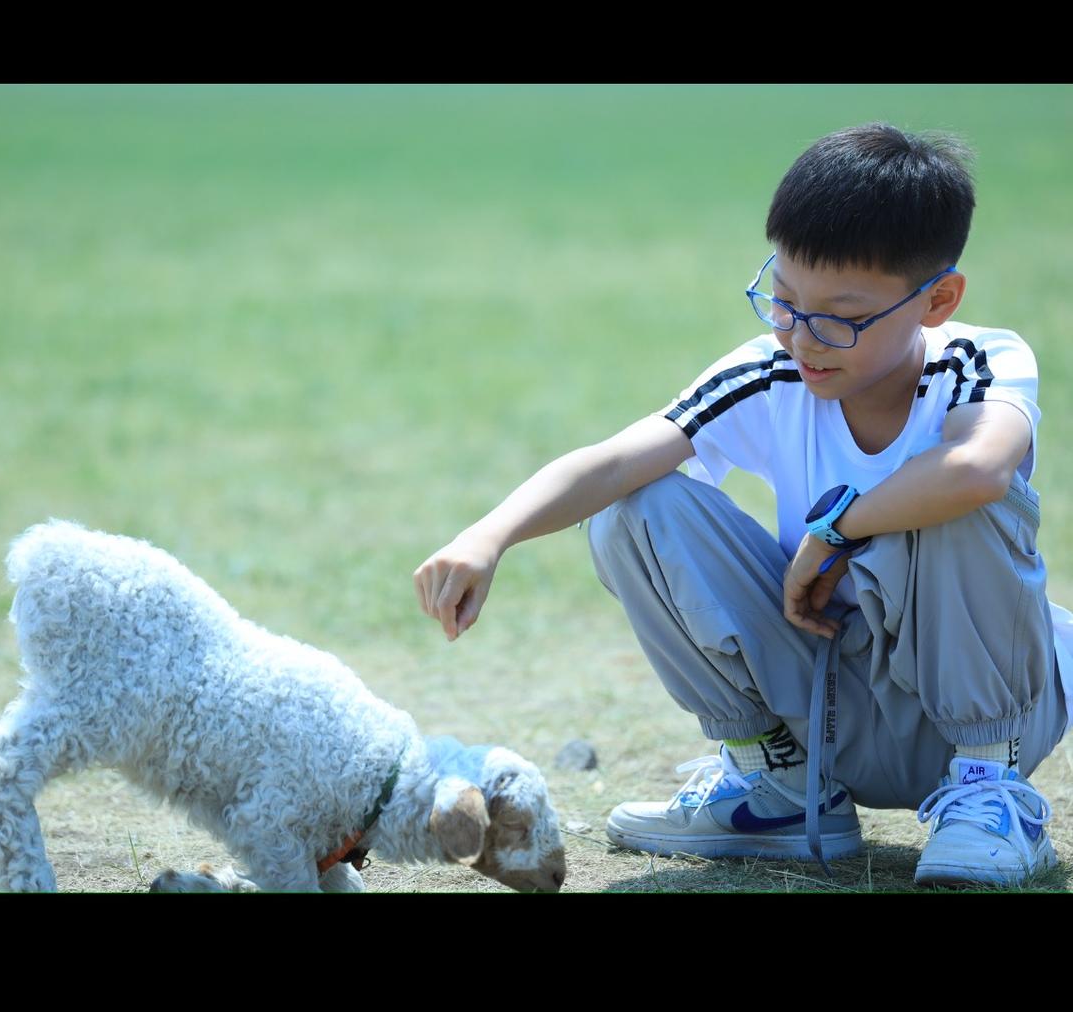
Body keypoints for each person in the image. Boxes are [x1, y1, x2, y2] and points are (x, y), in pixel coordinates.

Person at [413, 122, 1073, 887]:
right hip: (827, 713)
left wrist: (834, 530)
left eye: (840, 317)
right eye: (784, 300)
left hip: (987, 714)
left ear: (937, 300)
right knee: (636, 506)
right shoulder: (775, 371)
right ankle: (780, 789)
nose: (803, 338)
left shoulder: (976, 364)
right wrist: (489, 536)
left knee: (961, 496)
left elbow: (981, 469)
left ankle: (992, 795)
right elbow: (620, 458)